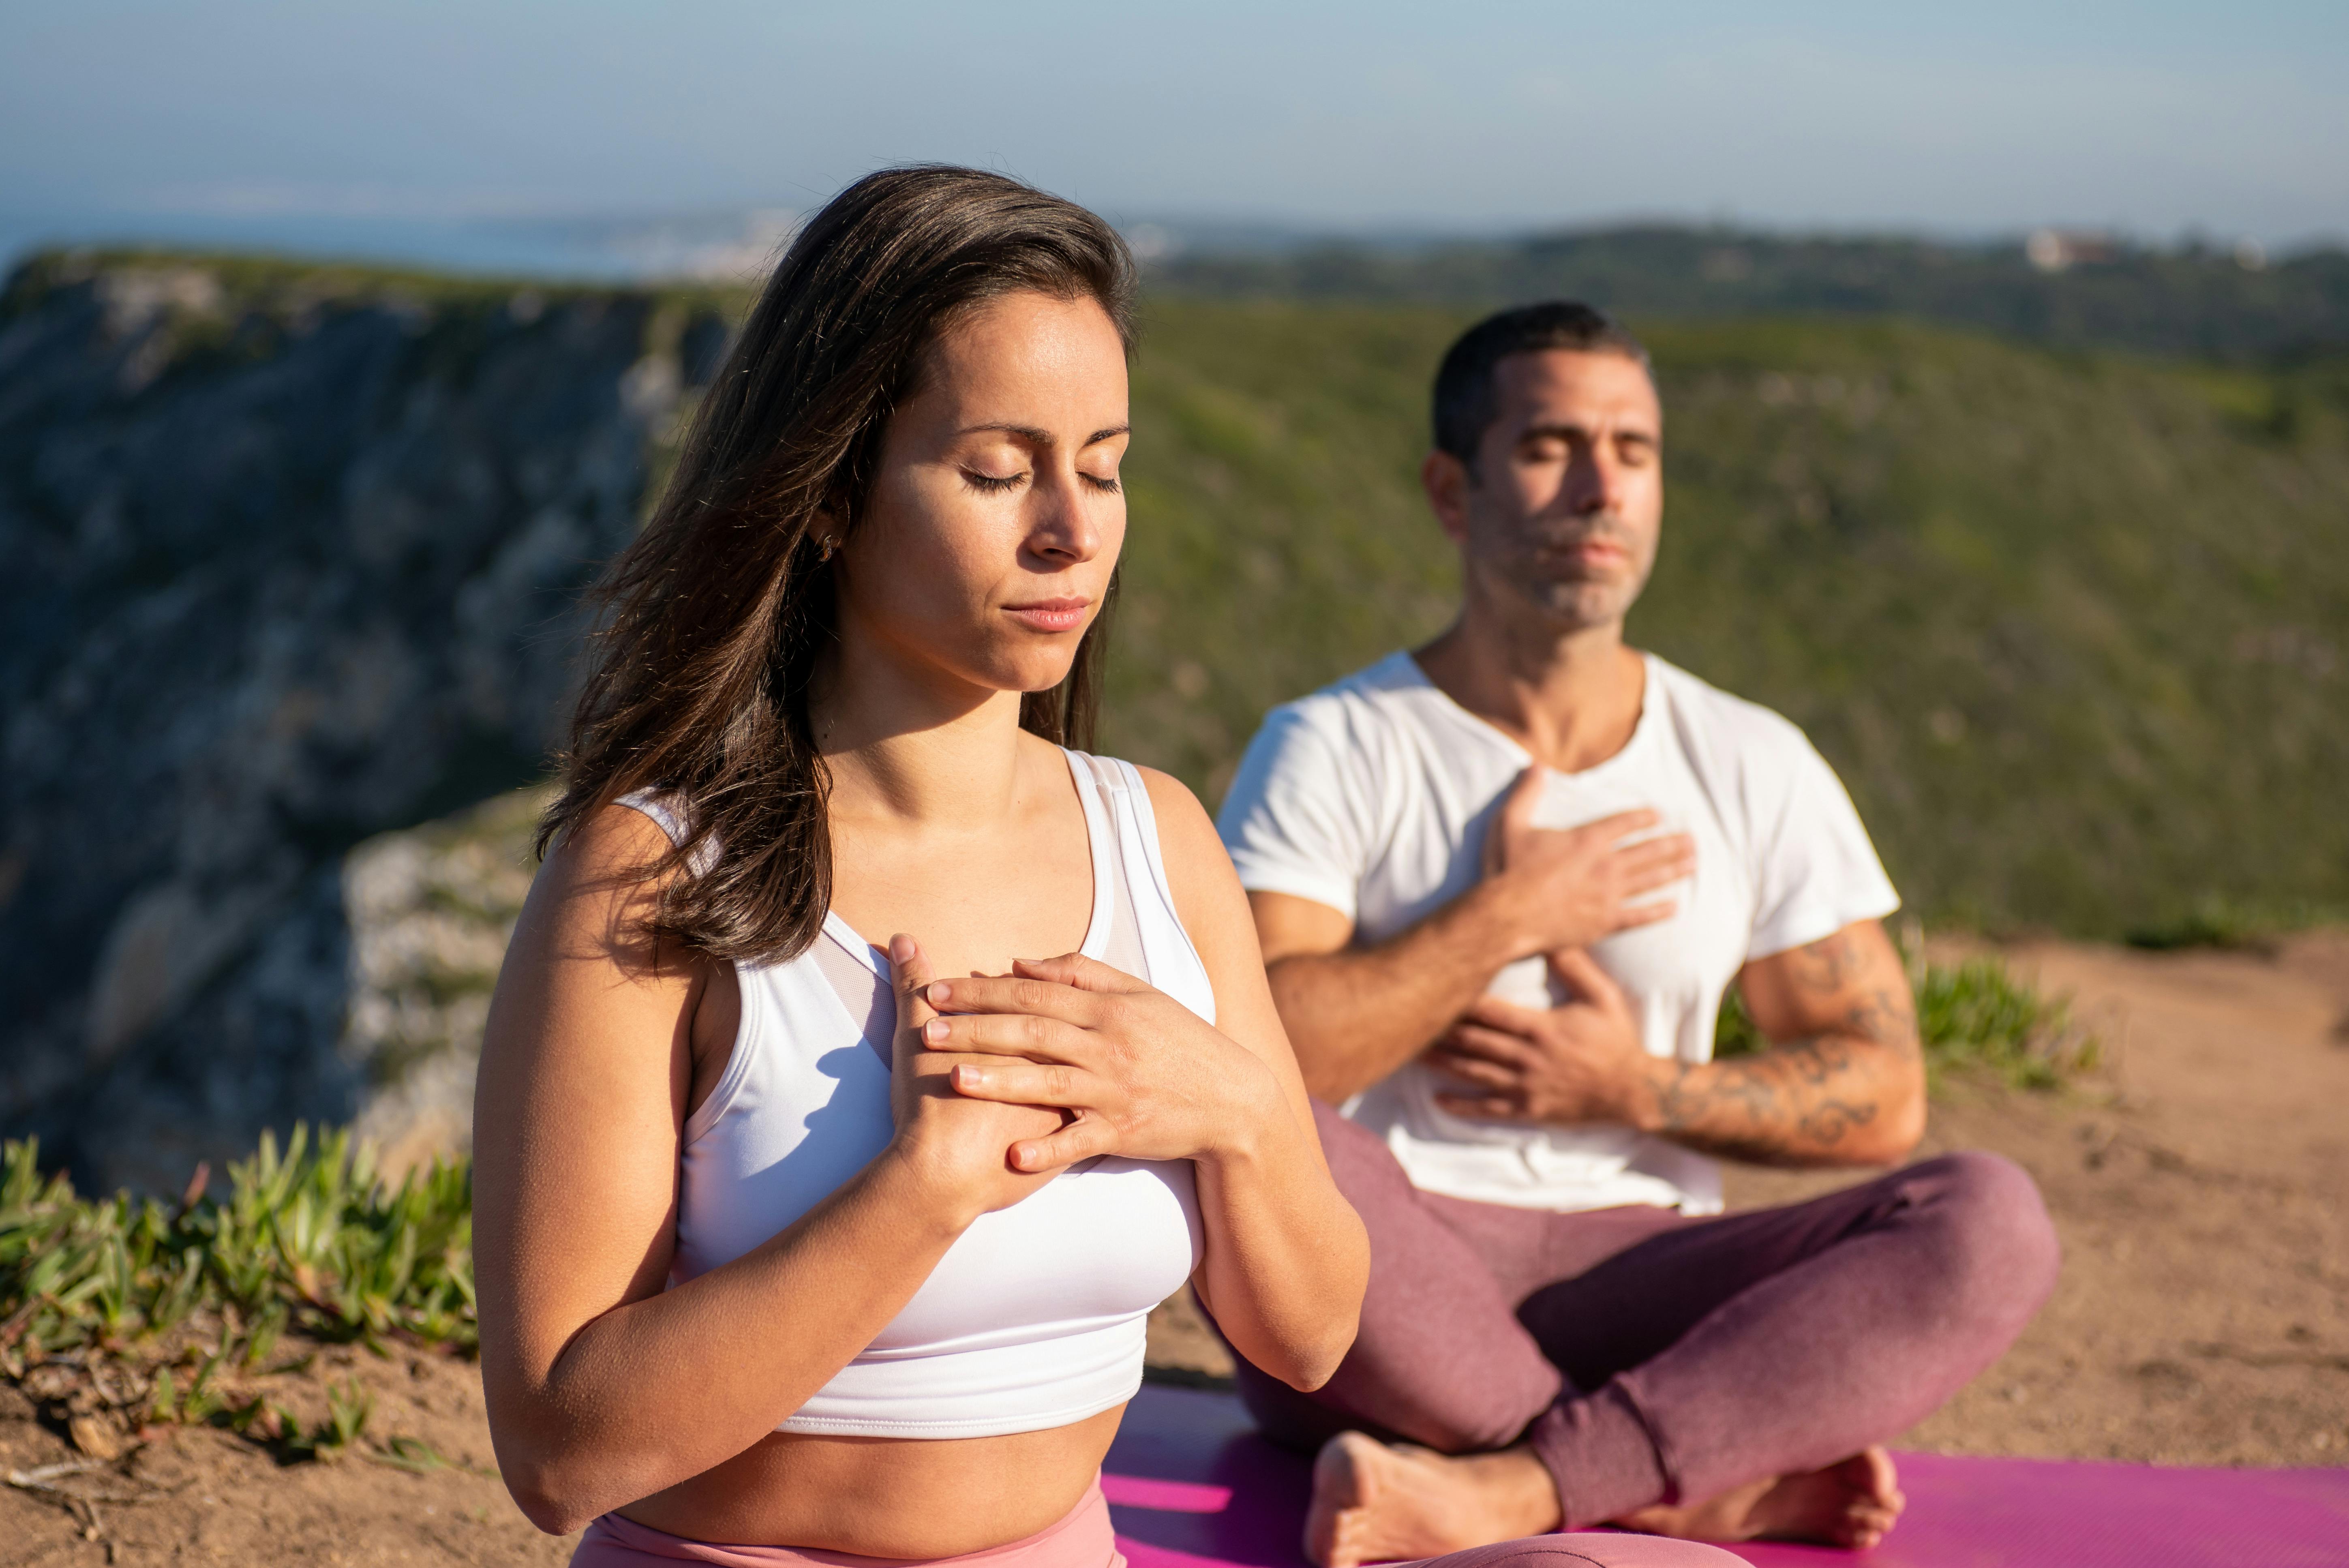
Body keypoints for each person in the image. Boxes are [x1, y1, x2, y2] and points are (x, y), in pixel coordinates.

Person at [471, 172, 1746, 1568]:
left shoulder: (1156, 834)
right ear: (831, 492)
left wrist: (1240, 1113)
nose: (1072, 531)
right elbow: (559, 1450)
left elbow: (1310, 1334)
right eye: (999, 470)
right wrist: (921, 1190)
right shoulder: (651, 876)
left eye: (1104, 463)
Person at [1215, 301, 2062, 1565]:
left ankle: (1512, 1487)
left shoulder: (1750, 760)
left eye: (1635, 448)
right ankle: (1670, 1471)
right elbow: (1258, 1067)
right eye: (1552, 444)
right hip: (1383, 1279)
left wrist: (1635, 1085)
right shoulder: (1333, 745)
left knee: (1989, 1216)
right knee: (1251, 1152)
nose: (1602, 486)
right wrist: (1501, 918)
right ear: (1454, 489)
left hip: (1643, 1277)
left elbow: (1884, 1094)